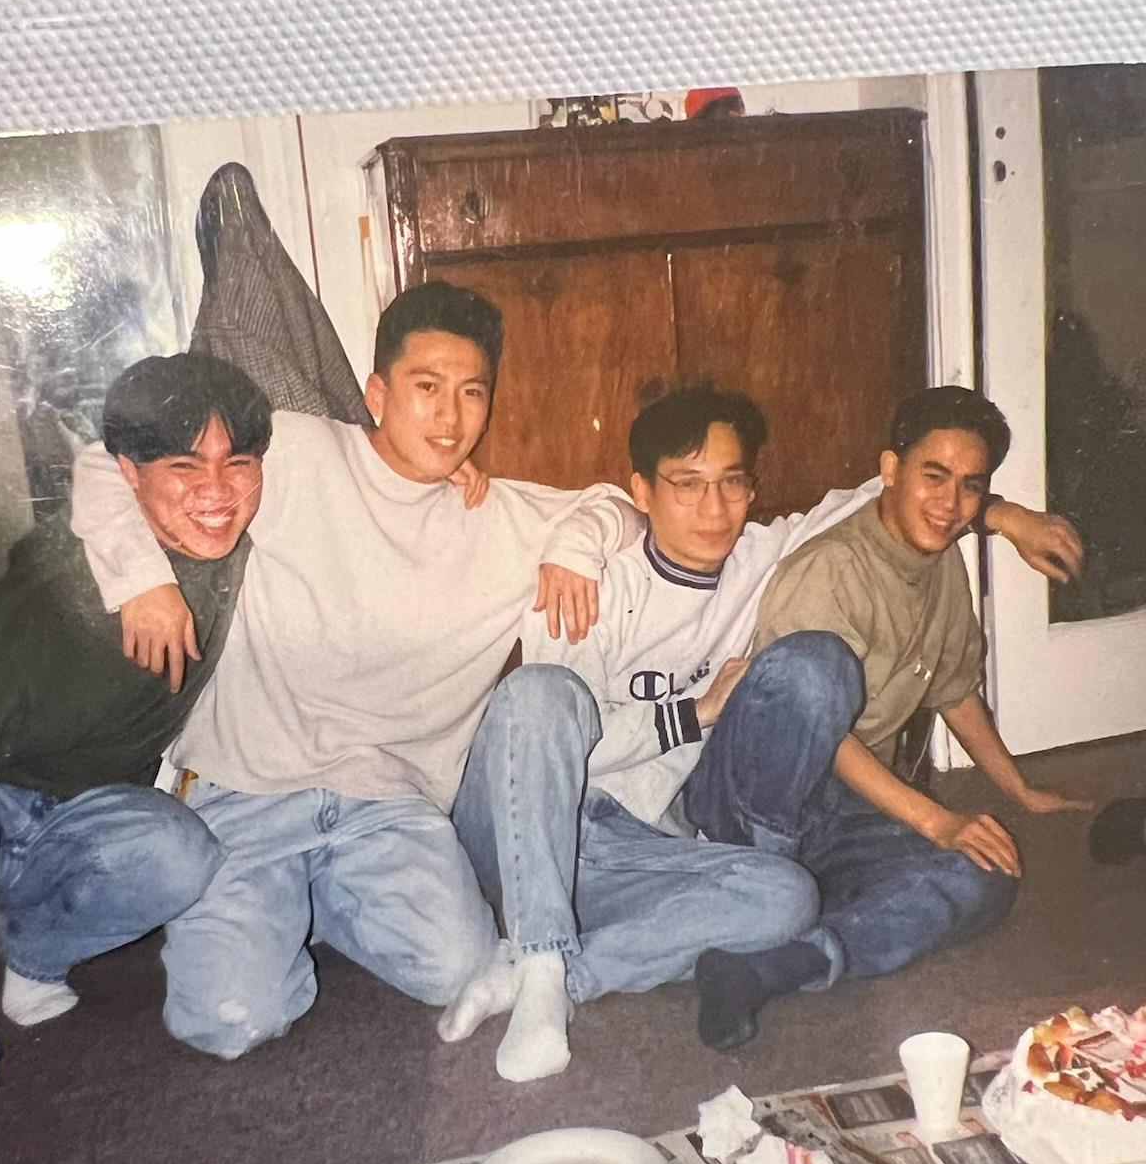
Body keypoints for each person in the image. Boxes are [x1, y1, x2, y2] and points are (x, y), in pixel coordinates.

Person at [70, 279, 643, 1058]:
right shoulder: (299, 451)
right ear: (378, 393)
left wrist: (575, 545)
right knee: (228, 1023)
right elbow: (111, 461)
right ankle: (279, 905)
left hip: (386, 802)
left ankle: (318, 901)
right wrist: (141, 578)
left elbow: (618, 506)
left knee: (459, 969)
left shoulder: (501, 515)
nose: (449, 416)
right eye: (426, 388)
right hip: (247, 788)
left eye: (472, 393)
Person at [443, 383, 1078, 1080]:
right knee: (540, 692)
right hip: (531, 833)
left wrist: (1008, 516)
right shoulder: (589, 585)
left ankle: (558, 976)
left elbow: (899, 490)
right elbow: (559, 752)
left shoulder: (758, 558)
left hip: (644, 849)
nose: (713, 510)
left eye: (732, 484)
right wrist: (697, 711)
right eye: (687, 486)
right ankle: (540, 954)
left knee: (787, 895)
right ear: (642, 492)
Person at [0, 353, 271, 1134]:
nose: (217, 490)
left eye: (236, 463)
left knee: (182, 851)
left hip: (93, 809)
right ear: (132, 478)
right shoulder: (69, 587)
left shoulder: (240, 548)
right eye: (184, 466)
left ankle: (33, 961)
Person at [686, 384, 1092, 1050]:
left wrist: (1020, 791)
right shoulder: (831, 568)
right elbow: (828, 732)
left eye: (969, 486)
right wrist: (936, 817)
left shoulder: (943, 565)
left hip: (846, 809)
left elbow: (955, 690)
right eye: (934, 477)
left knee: (987, 871)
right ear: (890, 470)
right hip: (755, 798)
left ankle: (774, 963)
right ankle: (765, 892)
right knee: (814, 666)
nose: (950, 504)